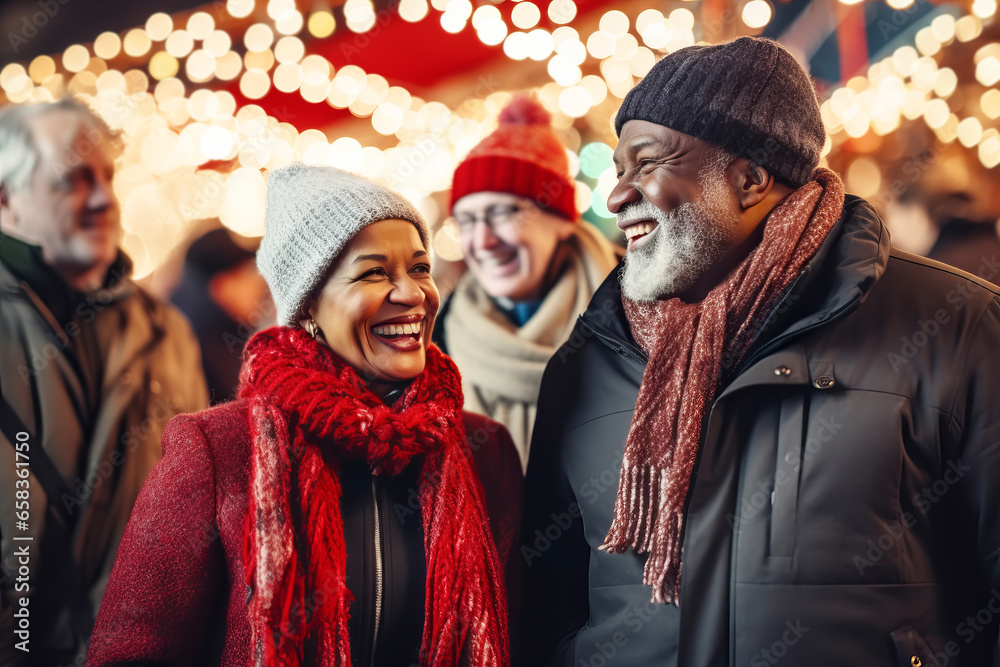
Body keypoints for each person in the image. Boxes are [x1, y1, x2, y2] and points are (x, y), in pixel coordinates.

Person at [521, 37, 1000, 666]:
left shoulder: (955, 328)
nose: (616, 198)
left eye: (648, 164)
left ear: (749, 179)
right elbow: (546, 604)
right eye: (618, 171)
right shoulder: (590, 361)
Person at [87, 165, 520, 666]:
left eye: (420, 268)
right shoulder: (217, 449)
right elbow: (132, 653)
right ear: (309, 302)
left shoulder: (487, 451)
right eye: (375, 272)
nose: (411, 294)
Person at [0, 98, 208, 665]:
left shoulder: (165, 329)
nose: (102, 199)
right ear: (6, 199)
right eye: (72, 180)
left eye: (107, 177)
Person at [434, 94, 621, 470]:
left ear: (563, 220)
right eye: (467, 221)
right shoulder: (438, 341)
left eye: (503, 213)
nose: (482, 241)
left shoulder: (639, 314)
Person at [171, 226, 272, 403]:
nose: (258, 285)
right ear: (221, 287)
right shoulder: (205, 357)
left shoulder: (225, 339)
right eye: (247, 271)